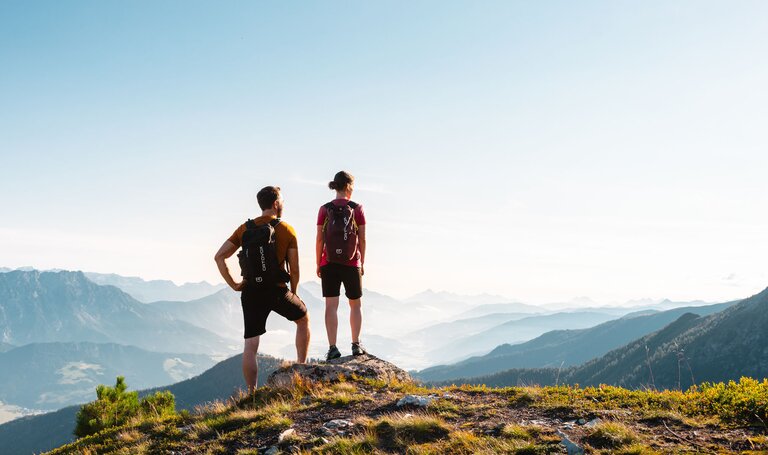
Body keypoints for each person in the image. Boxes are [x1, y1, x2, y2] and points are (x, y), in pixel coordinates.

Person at [214, 186, 310, 391]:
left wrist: (234, 285)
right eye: (282, 201)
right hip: (277, 290)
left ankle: (252, 393)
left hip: (251, 291)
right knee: (303, 319)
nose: (283, 204)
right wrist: (294, 292)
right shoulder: (287, 230)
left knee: (251, 344)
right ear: (276, 204)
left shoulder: (244, 228)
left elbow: (219, 257)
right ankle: (301, 368)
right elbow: (294, 269)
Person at [316, 171, 367, 361]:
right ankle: (356, 344)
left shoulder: (324, 209)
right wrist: (362, 262)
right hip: (352, 262)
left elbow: (319, 239)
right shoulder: (357, 208)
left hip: (328, 262)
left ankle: (332, 348)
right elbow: (362, 238)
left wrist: (318, 263)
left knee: (331, 305)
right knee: (355, 304)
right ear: (348, 186)